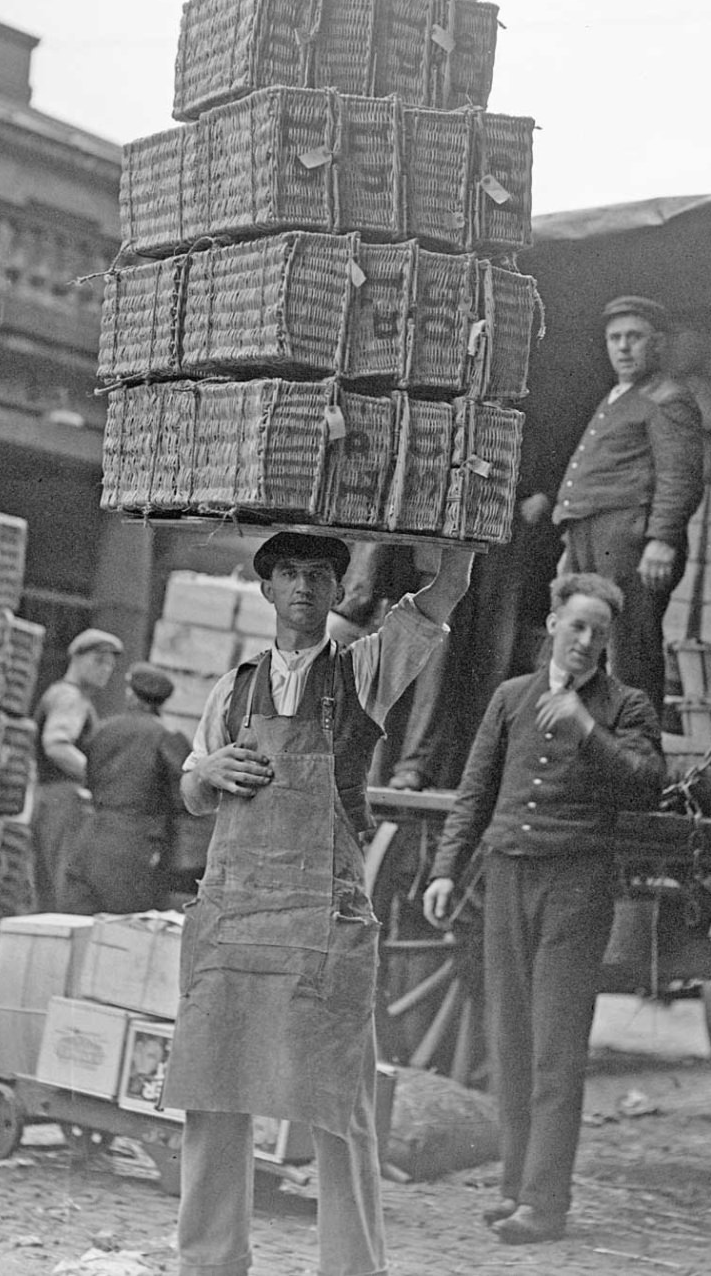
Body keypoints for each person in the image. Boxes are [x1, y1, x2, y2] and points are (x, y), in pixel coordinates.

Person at [163, 530, 473, 1276]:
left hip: (320, 919)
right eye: (290, 573)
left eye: (320, 575)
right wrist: (211, 769)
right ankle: (208, 1261)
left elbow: (443, 596)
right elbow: (190, 793)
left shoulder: (362, 671)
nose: (303, 586)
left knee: (341, 1107)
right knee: (214, 1094)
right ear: (266, 589)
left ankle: (352, 1267)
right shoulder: (232, 686)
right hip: (234, 918)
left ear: (340, 591)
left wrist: (454, 532)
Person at [423, 573, 664, 1245]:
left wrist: (588, 727)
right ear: (554, 622)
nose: (586, 641)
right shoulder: (511, 698)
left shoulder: (627, 706)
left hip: (576, 886)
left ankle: (546, 1203)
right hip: (505, 878)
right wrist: (447, 870)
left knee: (556, 1050)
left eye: (599, 633)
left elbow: (648, 783)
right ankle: (513, 1188)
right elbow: (475, 793)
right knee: (511, 1042)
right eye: (577, 625)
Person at [520, 295, 704, 718]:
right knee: (574, 645)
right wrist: (572, 535)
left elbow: (680, 476)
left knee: (629, 653)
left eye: (634, 337)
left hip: (628, 538)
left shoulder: (667, 397)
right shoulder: (618, 396)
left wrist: (662, 540)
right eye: (614, 338)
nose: (623, 347)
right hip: (588, 537)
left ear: (656, 344)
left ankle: (635, 762)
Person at [59, 661, 191, 915]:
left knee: (76, 923)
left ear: (131, 693)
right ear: (162, 702)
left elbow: (89, 778)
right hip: (136, 847)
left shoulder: (104, 729)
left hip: (90, 837)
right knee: (125, 929)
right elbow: (185, 798)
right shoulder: (168, 737)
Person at [30, 627, 123, 912]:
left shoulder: (64, 694)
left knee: (47, 883)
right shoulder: (70, 698)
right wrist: (96, 775)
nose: (105, 669)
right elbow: (56, 744)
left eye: (110, 664)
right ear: (77, 658)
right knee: (62, 881)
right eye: (98, 660)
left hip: (51, 798)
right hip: (63, 800)